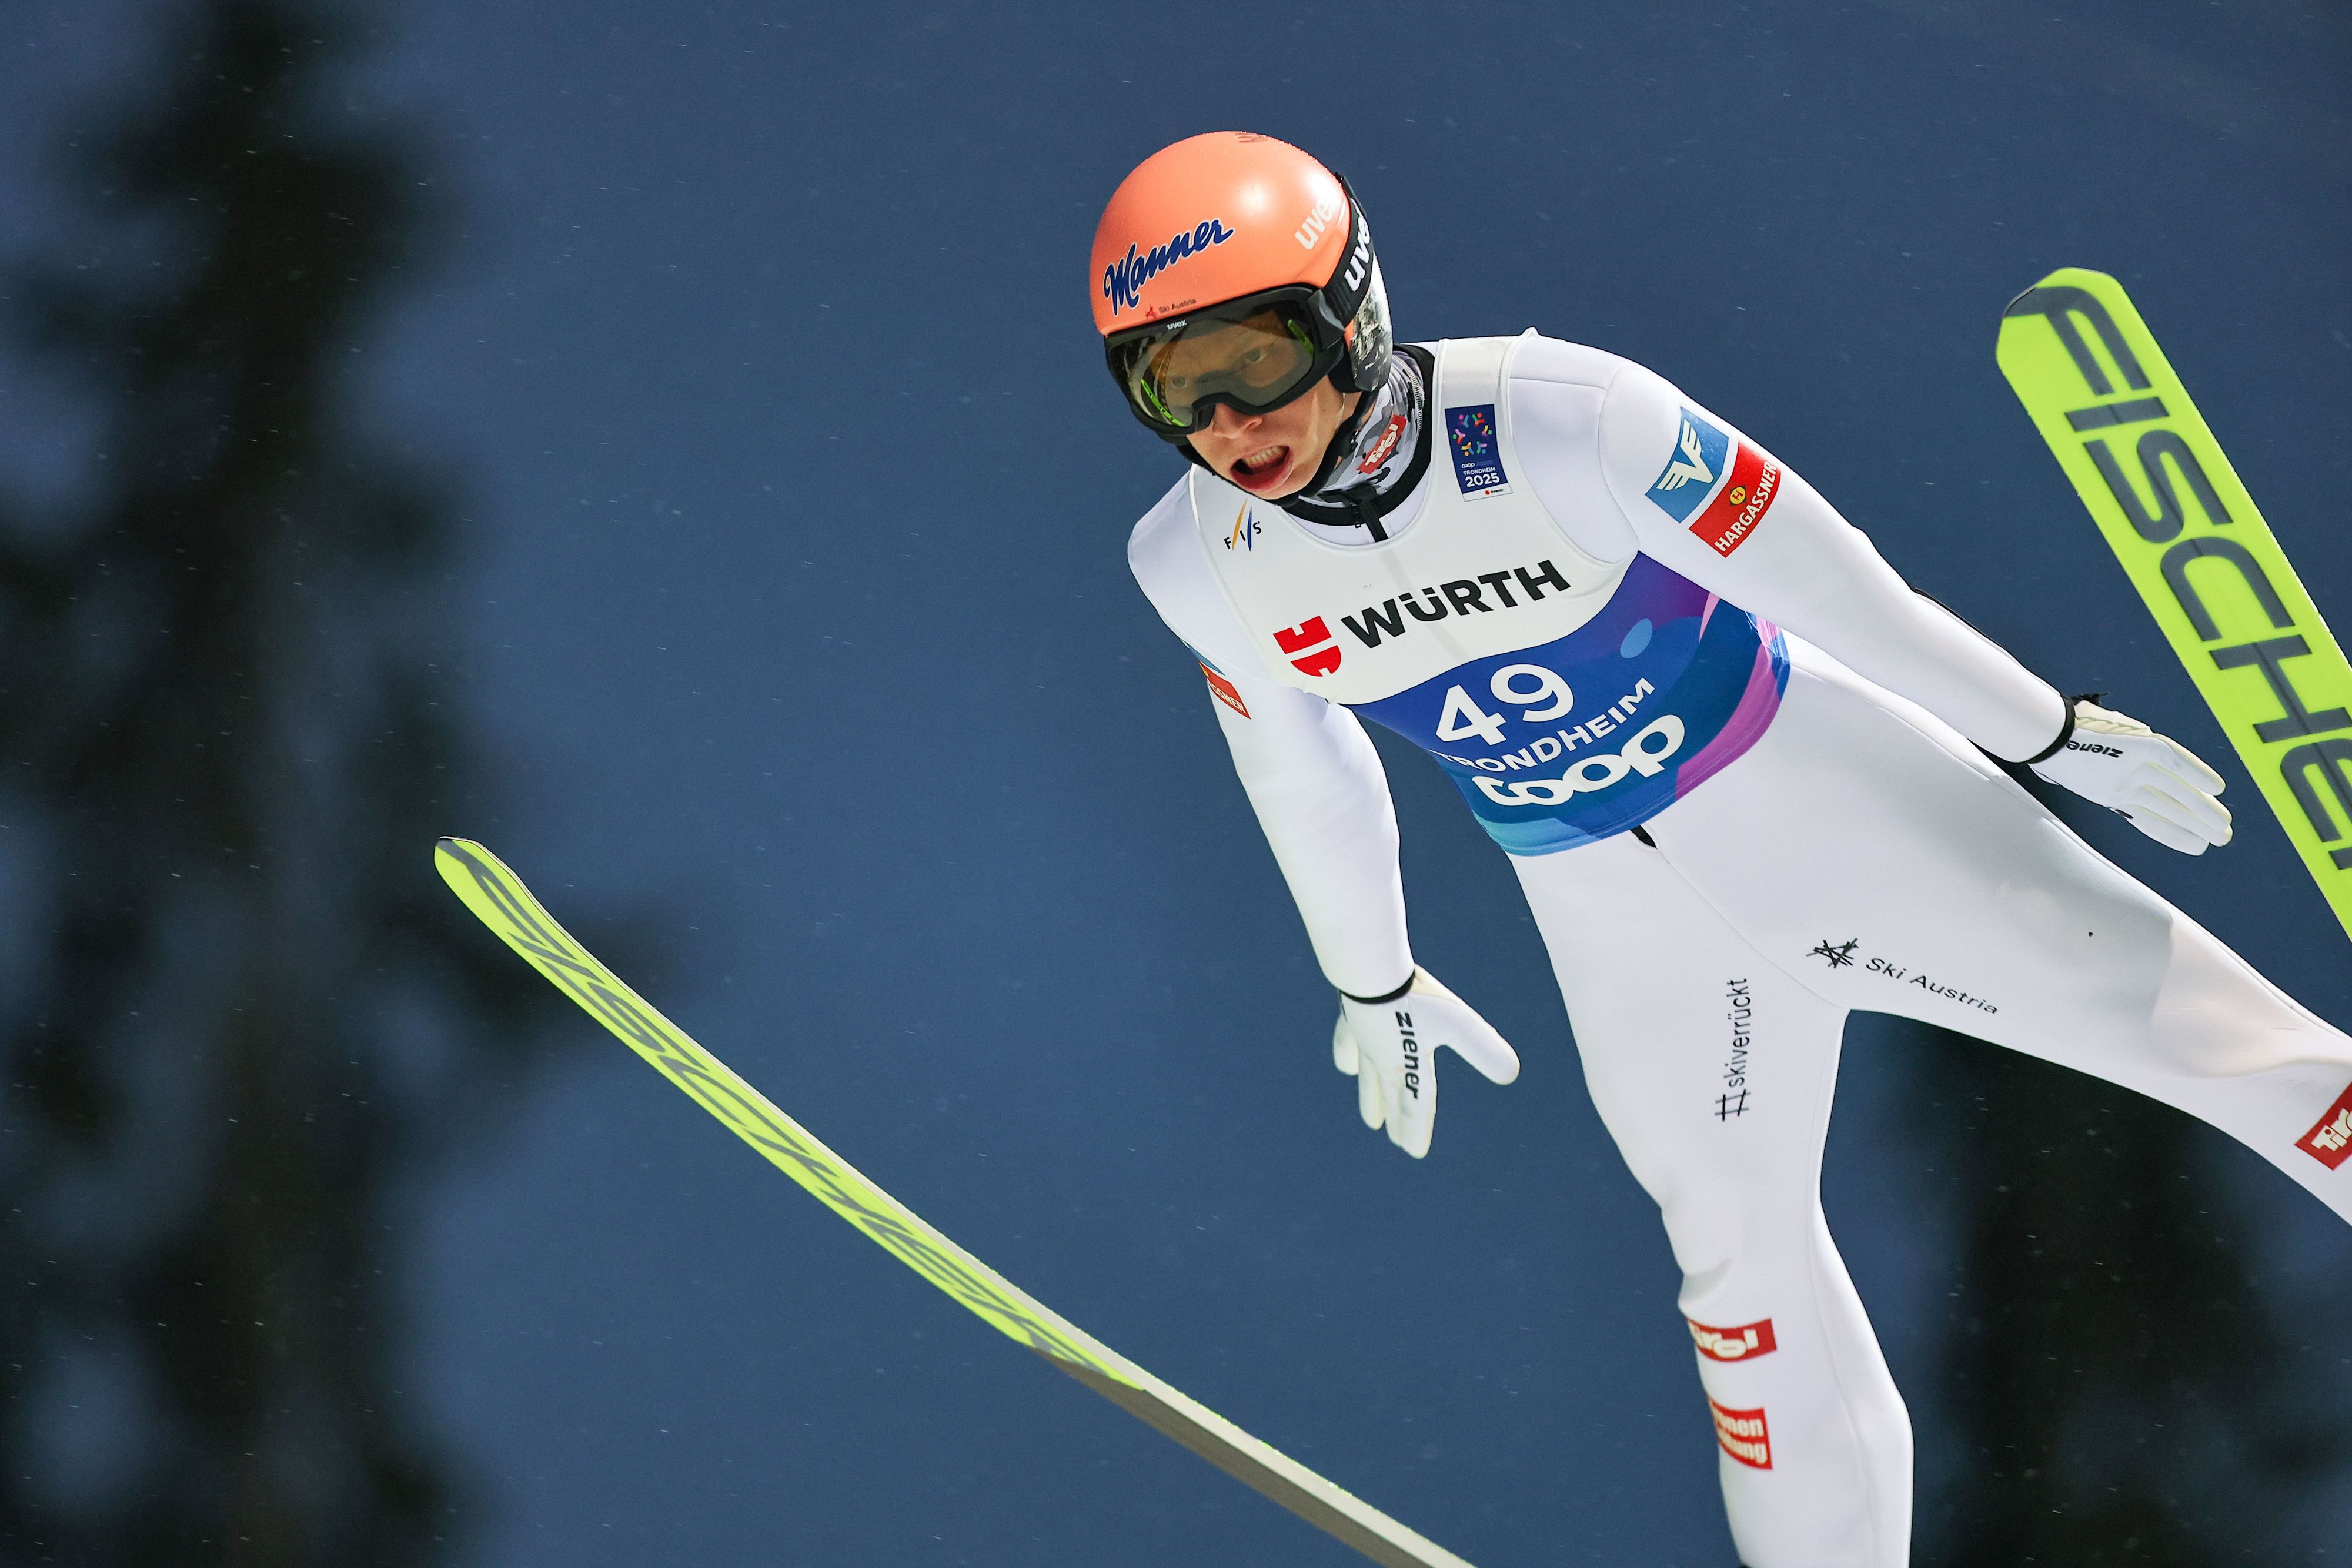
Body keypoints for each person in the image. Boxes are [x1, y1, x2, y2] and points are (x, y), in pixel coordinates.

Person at [1094, 131, 2352, 1568]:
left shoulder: (1565, 416)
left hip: (1819, 801)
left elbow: (1837, 585)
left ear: (1350, 312)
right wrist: (1367, 976)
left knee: (2234, 1055)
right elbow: (1296, 763)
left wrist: (2040, 731)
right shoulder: (1193, 563)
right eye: (1168, 386)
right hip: (1615, 919)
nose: (1228, 420)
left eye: (1253, 356)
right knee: (1739, 1296)